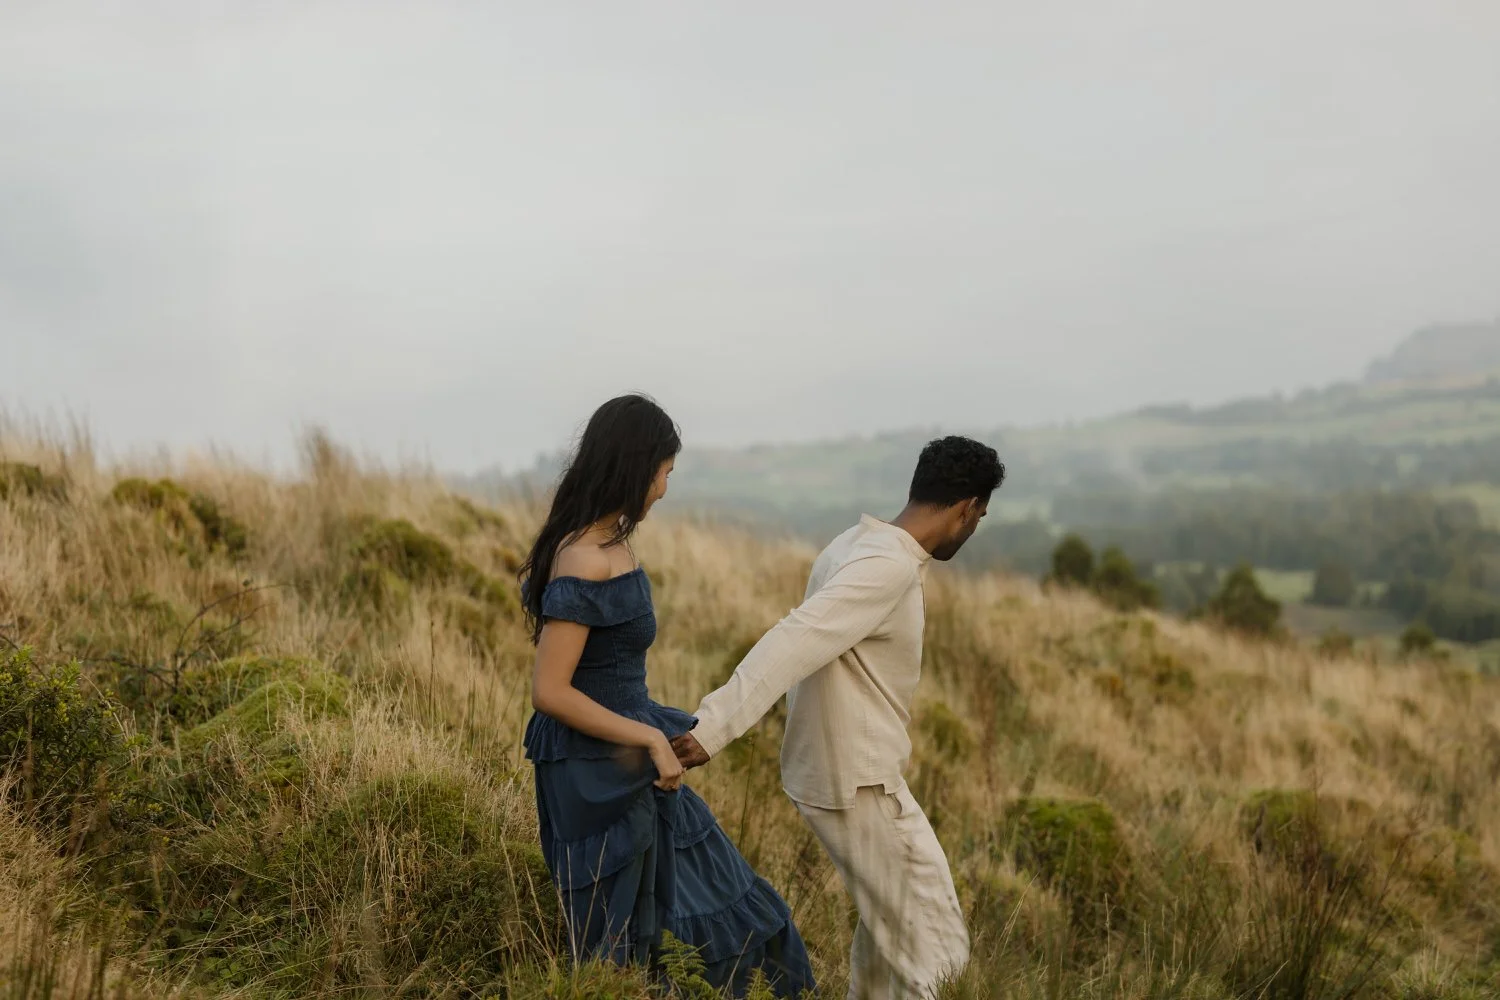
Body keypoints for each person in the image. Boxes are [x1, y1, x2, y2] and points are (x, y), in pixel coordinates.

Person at [672, 435, 1006, 1000]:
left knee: (886, 946)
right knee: (939, 953)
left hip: (848, 773)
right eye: (980, 516)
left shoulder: (854, 545)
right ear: (967, 508)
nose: (974, 528)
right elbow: (797, 638)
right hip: (860, 782)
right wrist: (713, 727)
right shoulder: (887, 565)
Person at [517, 393, 814, 996]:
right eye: (664, 472)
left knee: (708, 909)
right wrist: (651, 738)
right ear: (635, 467)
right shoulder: (583, 558)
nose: (664, 489)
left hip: (630, 755)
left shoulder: (612, 546)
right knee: (625, 941)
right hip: (596, 768)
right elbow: (549, 691)